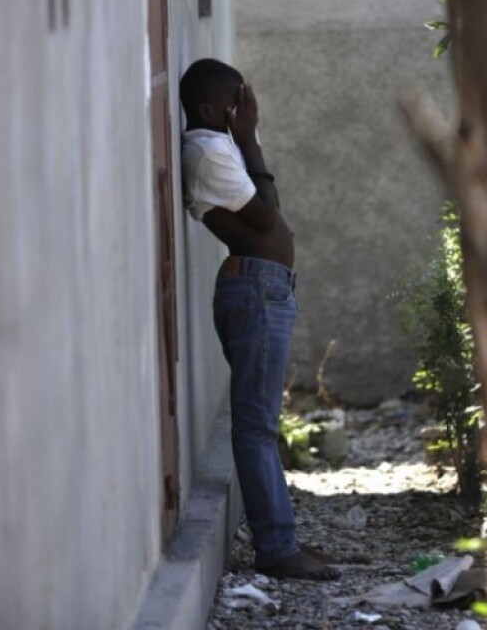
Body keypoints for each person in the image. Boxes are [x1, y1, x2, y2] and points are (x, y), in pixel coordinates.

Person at [179, 58, 340, 582]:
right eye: (234, 103)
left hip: (262, 288)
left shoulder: (218, 144)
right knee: (256, 427)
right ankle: (276, 548)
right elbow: (266, 212)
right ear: (208, 108)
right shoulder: (208, 150)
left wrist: (244, 137)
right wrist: (250, 139)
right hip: (254, 290)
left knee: (260, 424)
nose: (242, 111)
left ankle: (282, 539)